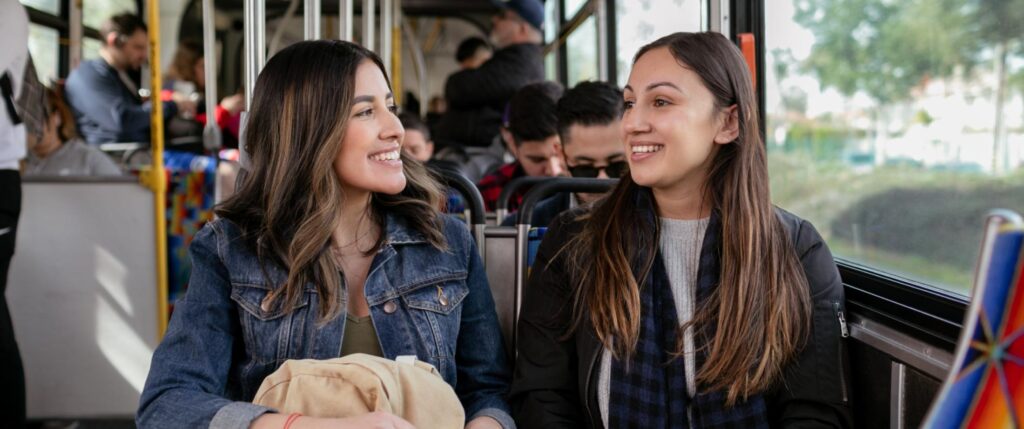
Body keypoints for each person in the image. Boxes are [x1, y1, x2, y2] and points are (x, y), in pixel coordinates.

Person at [137, 40, 513, 429]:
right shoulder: (232, 249)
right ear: (308, 130)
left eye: (391, 107)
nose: (396, 129)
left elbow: (488, 390)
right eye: (367, 111)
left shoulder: (446, 242)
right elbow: (167, 404)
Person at [510, 32, 853, 428]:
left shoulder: (793, 249)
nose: (633, 124)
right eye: (630, 103)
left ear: (727, 122)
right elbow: (542, 394)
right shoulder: (575, 240)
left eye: (661, 102)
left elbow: (816, 411)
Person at [501, 81, 626, 227]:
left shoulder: (657, 218)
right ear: (561, 155)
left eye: (616, 166)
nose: (602, 179)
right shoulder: (523, 227)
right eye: (585, 168)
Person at [64, 13, 195, 144]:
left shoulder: (118, 75)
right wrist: (171, 106)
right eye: (138, 47)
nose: (144, 56)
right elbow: (122, 119)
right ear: (114, 41)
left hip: (137, 148)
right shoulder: (89, 74)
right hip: (117, 154)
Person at [434, 0, 545, 149]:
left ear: (522, 29)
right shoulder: (513, 59)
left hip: (482, 156)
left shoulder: (520, 63)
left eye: (503, 16)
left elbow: (460, 88)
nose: (494, 20)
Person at [478, 81, 565, 212]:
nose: (553, 170)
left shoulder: (595, 186)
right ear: (511, 141)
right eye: (537, 159)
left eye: (561, 155)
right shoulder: (489, 194)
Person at [162, 39, 245, 145]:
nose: (208, 72)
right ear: (188, 68)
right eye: (202, 66)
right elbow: (195, 129)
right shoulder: (177, 93)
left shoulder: (199, 92)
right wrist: (224, 110)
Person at [25, 87, 122, 176]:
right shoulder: (16, 162)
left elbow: (118, 192)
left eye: (36, 118)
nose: (30, 126)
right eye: (24, 120)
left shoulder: (88, 158)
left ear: (57, 117)